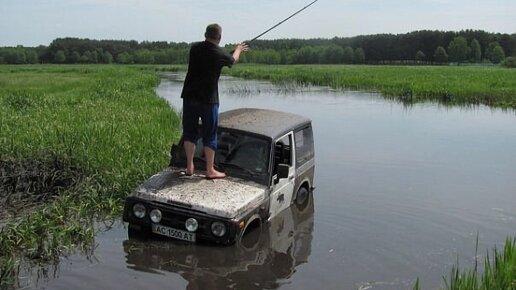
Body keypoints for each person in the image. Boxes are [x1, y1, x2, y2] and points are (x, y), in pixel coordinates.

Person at [180, 23, 249, 179]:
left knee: (189, 132)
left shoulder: (194, 48)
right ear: (219, 37)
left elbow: (212, 57)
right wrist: (238, 50)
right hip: (208, 100)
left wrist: (227, 54)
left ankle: (189, 166)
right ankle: (210, 170)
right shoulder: (220, 54)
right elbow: (232, 61)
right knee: (210, 135)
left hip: (190, 96)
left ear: (205, 34)